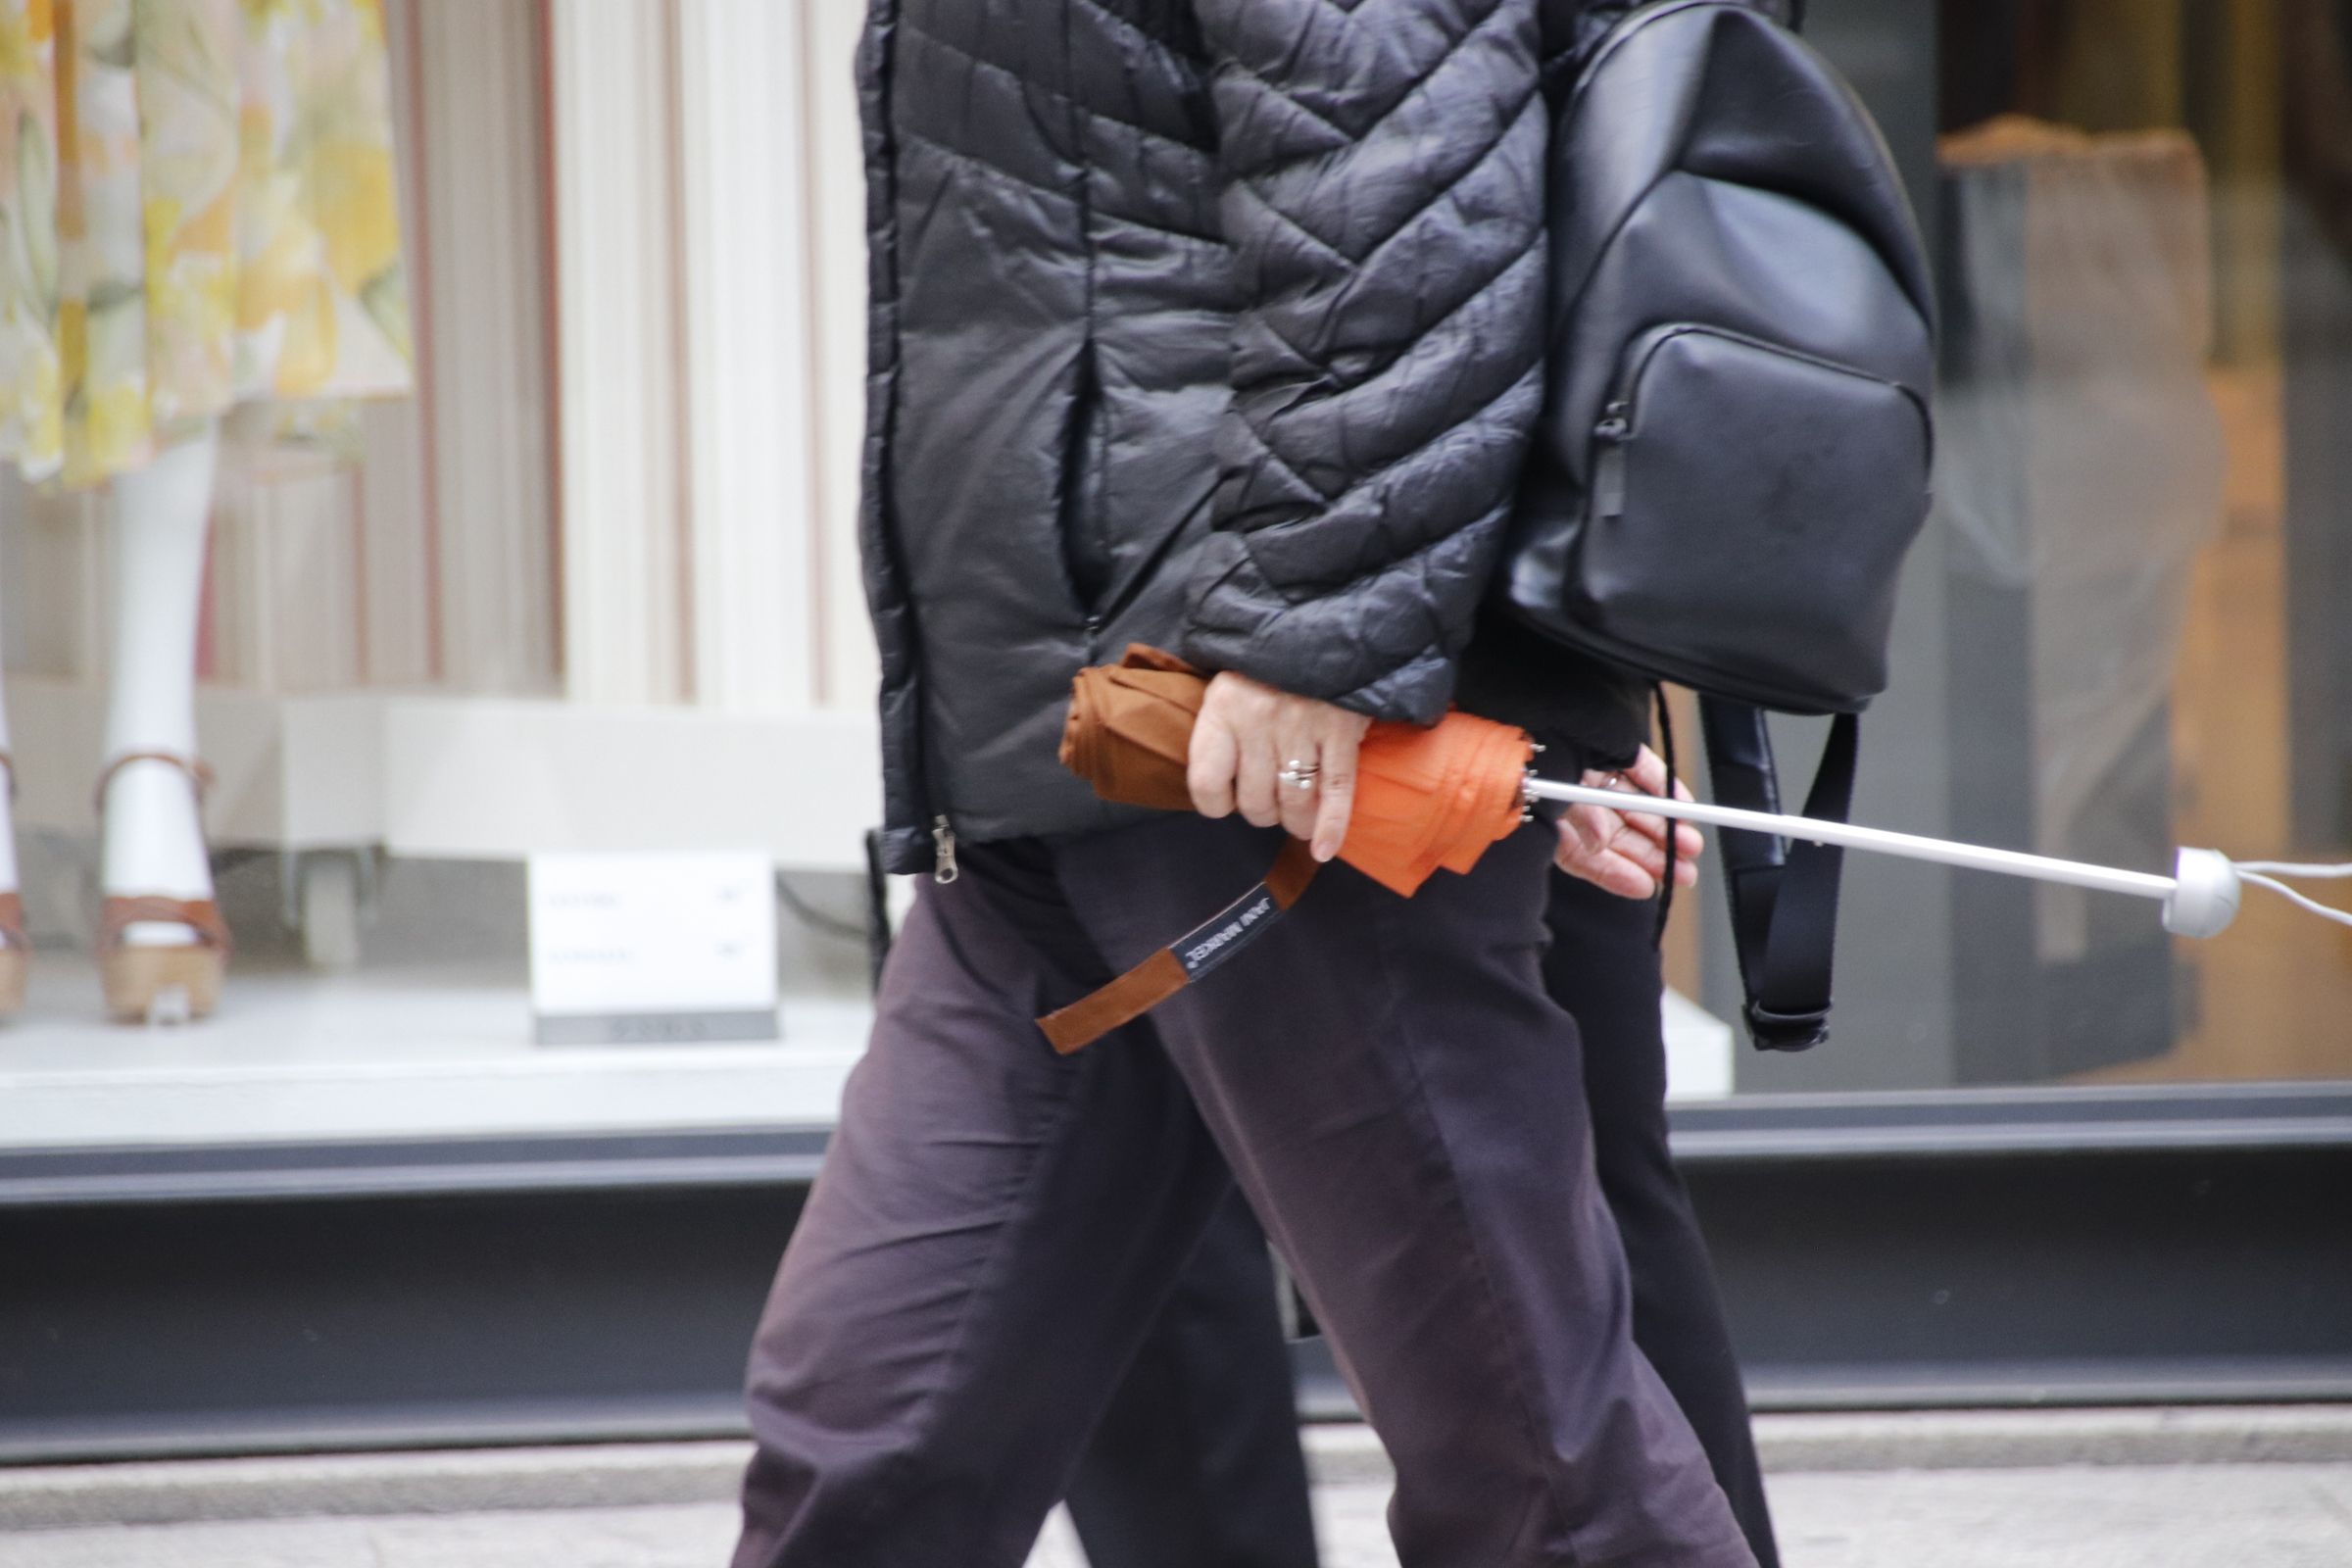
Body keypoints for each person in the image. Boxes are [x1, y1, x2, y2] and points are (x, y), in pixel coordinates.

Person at [733, 2, 1778, 1564]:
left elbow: (1403, 175)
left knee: (1542, 1477)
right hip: (1048, 756)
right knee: (875, 1456)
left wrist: (1317, 639)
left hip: (1262, 745)